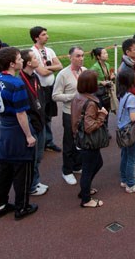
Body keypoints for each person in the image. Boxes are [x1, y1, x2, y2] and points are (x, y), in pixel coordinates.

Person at [0, 47, 38, 220]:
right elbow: (21, 113)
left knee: (3, 169)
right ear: (12, 63)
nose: (22, 61)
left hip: (4, 129)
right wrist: (28, 135)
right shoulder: (17, 83)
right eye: (19, 59)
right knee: (22, 169)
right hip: (17, 130)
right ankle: (22, 207)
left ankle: (1, 204)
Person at [71, 70, 108, 207]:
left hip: (80, 138)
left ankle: (85, 190)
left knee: (97, 163)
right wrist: (102, 116)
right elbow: (89, 127)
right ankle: (86, 199)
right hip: (88, 140)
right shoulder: (91, 102)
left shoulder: (78, 97)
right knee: (88, 168)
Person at [52, 46, 86, 185]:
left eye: (82, 55)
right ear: (70, 57)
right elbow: (55, 96)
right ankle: (67, 171)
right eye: (77, 56)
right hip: (69, 113)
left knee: (81, 140)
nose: (81, 58)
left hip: (83, 112)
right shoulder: (63, 74)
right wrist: (73, 97)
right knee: (69, 142)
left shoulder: (84, 71)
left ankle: (77, 166)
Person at [19, 49, 49, 197]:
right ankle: (31, 185)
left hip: (40, 120)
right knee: (32, 157)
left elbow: (40, 98)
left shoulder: (34, 77)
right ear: (29, 63)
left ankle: (35, 181)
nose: (38, 60)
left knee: (38, 156)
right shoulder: (20, 81)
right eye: (35, 58)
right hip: (33, 123)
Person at [30, 26, 63, 153]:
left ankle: (48, 141)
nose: (47, 36)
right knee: (40, 116)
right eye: (44, 34)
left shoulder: (50, 50)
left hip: (50, 88)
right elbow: (42, 72)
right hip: (39, 89)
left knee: (48, 115)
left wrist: (47, 68)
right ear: (36, 37)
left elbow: (60, 65)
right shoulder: (32, 52)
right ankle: (41, 142)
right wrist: (51, 68)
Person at [117, 68, 135, 193]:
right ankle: (131, 184)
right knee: (132, 158)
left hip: (122, 129)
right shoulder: (132, 97)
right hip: (131, 131)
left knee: (125, 156)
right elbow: (133, 117)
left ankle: (124, 180)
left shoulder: (123, 94)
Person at [90, 47, 117, 114]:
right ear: (98, 56)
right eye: (104, 53)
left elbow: (107, 78)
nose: (107, 54)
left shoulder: (107, 65)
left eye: (106, 53)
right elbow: (90, 80)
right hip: (99, 93)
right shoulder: (95, 67)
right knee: (101, 112)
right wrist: (100, 82)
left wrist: (111, 77)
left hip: (106, 92)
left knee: (107, 111)